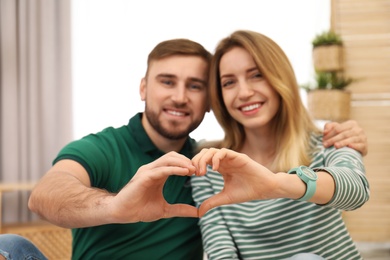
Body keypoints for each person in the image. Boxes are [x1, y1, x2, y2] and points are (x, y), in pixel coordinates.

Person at [0, 38, 367, 260]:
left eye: (194, 85)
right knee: (11, 244)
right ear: (144, 87)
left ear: (209, 101)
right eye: (166, 81)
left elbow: (354, 188)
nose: (178, 96)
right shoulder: (105, 147)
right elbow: (45, 196)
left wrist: (279, 183)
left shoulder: (208, 162)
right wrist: (117, 205)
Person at [191, 30, 370, 260]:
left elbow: (356, 191)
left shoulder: (328, 140)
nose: (244, 92)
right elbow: (220, 252)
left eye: (256, 75)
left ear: (280, 78)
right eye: (229, 82)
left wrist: (276, 184)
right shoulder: (211, 167)